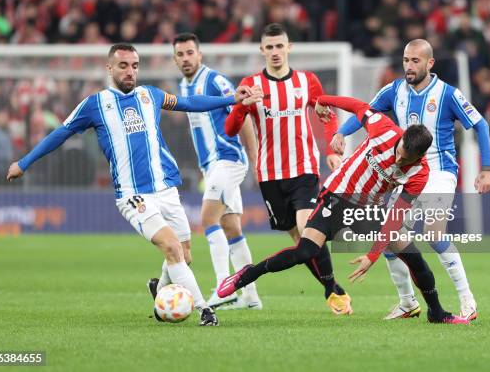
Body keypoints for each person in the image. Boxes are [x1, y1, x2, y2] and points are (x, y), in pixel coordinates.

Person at [6, 43, 262, 327]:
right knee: (172, 248)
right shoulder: (95, 104)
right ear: (110, 68)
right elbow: (60, 134)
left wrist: (230, 100)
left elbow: (190, 103)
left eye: (135, 66)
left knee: (184, 255)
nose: (130, 71)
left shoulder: (149, 95)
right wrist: (24, 163)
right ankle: (203, 308)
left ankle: (159, 288)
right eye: (123, 66)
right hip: (133, 196)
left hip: (166, 188)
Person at [218, 94, 468, 324]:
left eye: (406, 160)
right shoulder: (382, 127)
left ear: (421, 156)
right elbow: (358, 107)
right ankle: (246, 276)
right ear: (400, 138)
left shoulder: (419, 173)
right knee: (305, 252)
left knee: (414, 257)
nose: (399, 160)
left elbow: (395, 216)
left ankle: (436, 312)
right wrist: (323, 101)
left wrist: (371, 256)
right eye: (399, 153)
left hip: (369, 210)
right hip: (336, 196)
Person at [332, 39, 490, 321]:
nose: (409, 66)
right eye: (406, 60)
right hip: (407, 174)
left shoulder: (447, 94)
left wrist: (487, 168)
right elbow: (364, 113)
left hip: (440, 171)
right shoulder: (395, 90)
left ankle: (468, 300)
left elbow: (480, 123)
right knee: (391, 236)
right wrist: (341, 133)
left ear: (430, 63)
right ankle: (407, 302)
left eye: (415, 61)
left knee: (433, 233)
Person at [224, 23, 351, 315]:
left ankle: (332, 292)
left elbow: (326, 114)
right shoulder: (252, 84)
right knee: (299, 241)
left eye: (280, 46)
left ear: (289, 47)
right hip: (269, 174)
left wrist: (331, 149)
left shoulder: (307, 81)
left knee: (309, 231)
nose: (275, 52)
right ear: (262, 50)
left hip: (304, 169)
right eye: (269, 47)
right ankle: (332, 287)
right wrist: (242, 105)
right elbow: (231, 129)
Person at [172, 32, 262, 310]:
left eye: (190, 52)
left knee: (208, 218)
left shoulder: (215, 80)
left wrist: (255, 158)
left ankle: (225, 288)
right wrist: (205, 169)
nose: (186, 58)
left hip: (229, 159)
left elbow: (242, 111)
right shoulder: (183, 86)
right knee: (231, 226)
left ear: (200, 55)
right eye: (180, 54)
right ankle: (250, 296)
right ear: (175, 59)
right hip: (213, 166)